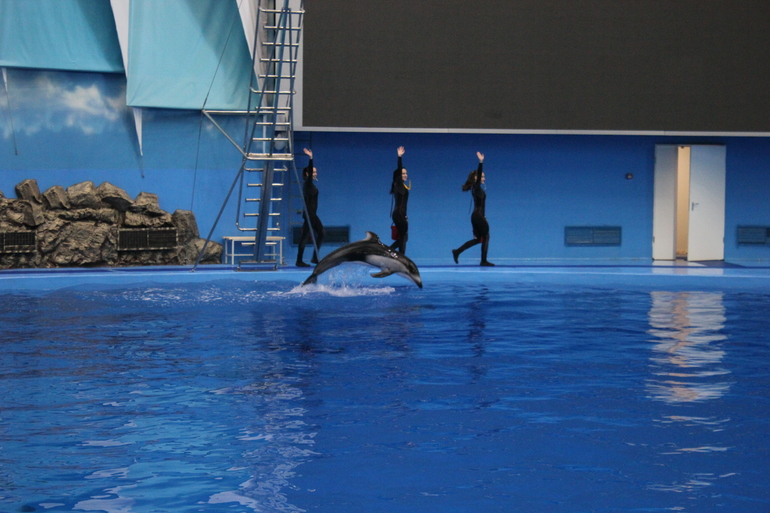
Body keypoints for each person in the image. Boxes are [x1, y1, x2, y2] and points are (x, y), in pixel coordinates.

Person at [452, 152, 494, 266]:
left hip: (476, 216)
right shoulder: (476, 187)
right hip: (478, 216)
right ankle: (483, 260)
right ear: (476, 178)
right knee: (486, 236)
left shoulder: (476, 189)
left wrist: (483, 216)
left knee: (478, 239)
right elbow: (479, 174)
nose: (484, 178)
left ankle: (457, 251)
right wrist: (481, 162)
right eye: (482, 176)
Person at [296, 148, 324, 267]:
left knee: (320, 234)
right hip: (309, 215)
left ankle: (313, 258)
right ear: (308, 174)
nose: (315, 173)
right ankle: (301, 260)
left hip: (312, 214)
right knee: (307, 237)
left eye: (315, 172)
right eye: (313, 172)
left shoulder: (310, 185)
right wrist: (311, 158)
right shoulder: (307, 184)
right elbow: (310, 168)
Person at [390, 146, 410, 254]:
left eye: (406, 173)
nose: (405, 175)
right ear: (398, 175)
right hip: (399, 214)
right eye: (403, 173)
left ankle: (389, 252)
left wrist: (405, 216)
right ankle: (402, 258)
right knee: (403, 237)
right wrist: (399, 157)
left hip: (400, 214)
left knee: (404, 238)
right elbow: (399, 169)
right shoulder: (398, 184)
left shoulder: (401, 186)